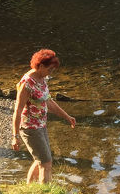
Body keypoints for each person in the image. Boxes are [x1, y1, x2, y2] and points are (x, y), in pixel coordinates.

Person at [11, 49, 76, 184]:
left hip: (41, 124)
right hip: (30, 127)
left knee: (40, 159)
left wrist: (67, 117)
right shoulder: (27, 83)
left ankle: (30, 189)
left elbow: (49, 101)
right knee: (46, 163)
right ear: (40, 66)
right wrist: (15, 137)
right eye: (50, 69)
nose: (51, 73)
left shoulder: (42, 78)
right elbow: (17, 111)